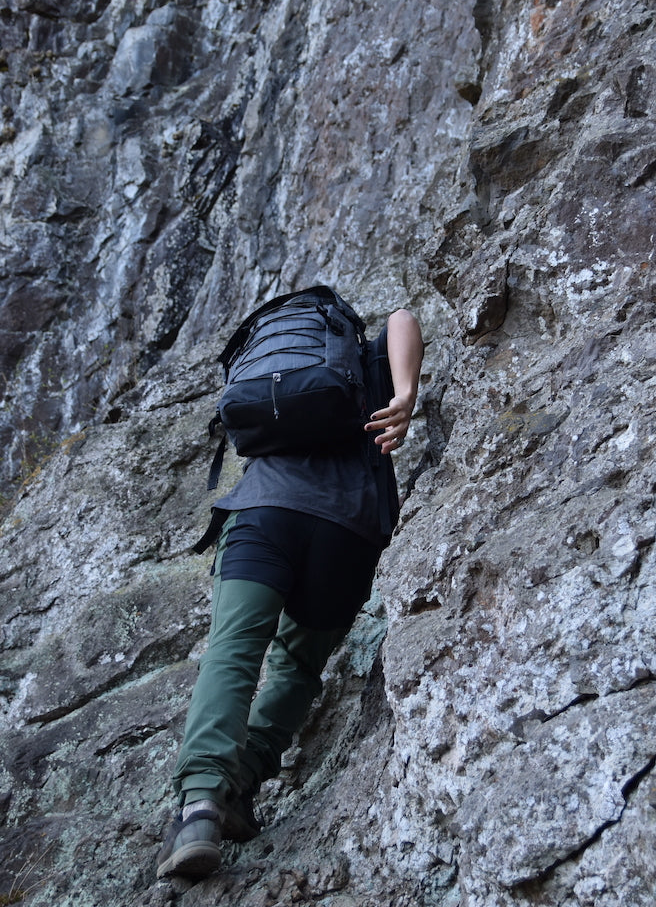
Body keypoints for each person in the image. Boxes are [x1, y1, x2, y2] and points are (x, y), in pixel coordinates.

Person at [156, 302, 425, 880]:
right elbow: (403, 315)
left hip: (261, 514)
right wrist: (405, 394)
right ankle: (242, 781)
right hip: (345, 532)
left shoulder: (276, 380)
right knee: (298, 668)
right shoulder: (360, 358)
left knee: (233, 649)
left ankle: (201, 805)